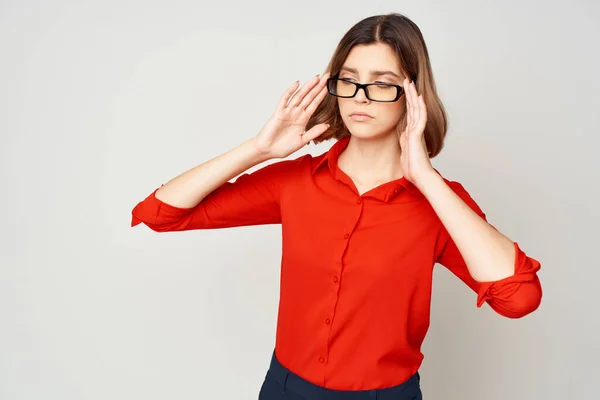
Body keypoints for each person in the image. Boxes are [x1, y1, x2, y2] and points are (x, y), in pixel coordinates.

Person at [131, 13, 542, 400]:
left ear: (413, 94)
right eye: (349, 80)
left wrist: (427, 180)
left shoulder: (439, 202)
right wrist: (258, 150)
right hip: (284, 388)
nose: (360, 97)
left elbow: (518, 298)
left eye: (382, 83)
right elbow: (160, 214)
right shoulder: (295, 183)